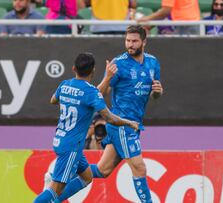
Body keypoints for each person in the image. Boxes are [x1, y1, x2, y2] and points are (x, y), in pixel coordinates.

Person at [53, 25, 163, 203]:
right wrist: (107, 78)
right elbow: (99, 93)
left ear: (144, 41)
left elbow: (154, 94)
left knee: (102, 171)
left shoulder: (152, 63)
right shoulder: (118, 64)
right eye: (128, 40)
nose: (130, 44)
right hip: (121, 124)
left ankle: (54, 193)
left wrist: (157, 92)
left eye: (134, 41)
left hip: (135, 124)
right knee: (139, 168)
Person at [33, 53, 139, 203]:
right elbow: (109, 118)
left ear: (73, 68)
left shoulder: (65, 85)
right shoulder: (91, 92)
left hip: (61, 140)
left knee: (87, 177)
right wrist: (129, 123)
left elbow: (53, 100)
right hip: (71, 146)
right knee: (56, 188)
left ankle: (54, 199)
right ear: (93, 71)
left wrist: (72, 101)